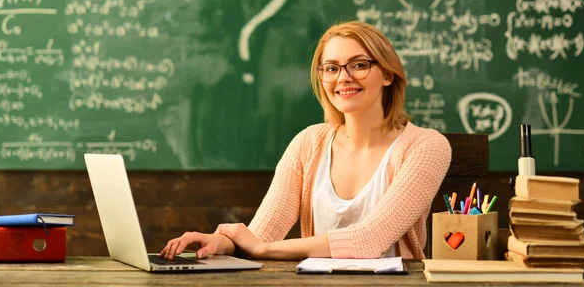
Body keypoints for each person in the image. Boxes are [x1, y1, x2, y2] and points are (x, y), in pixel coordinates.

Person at [160, 21, 452, 260]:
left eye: (359, 65)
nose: (344, 77)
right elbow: (262, 234)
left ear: (388, 74)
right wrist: (221, 242)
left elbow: (368, 241)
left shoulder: (426, 147)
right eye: (332, 68)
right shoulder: (308, 143)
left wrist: (262, 249)